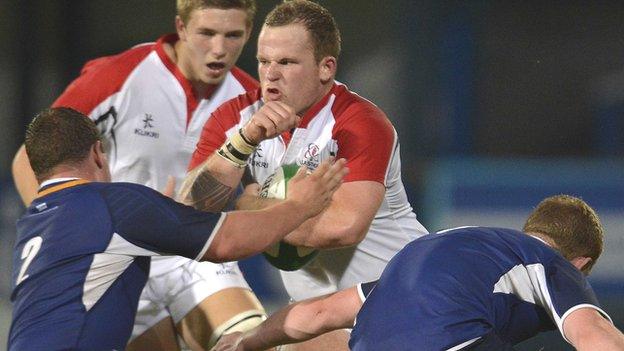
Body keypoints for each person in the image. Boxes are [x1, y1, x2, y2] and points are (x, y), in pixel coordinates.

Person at [11, 1, 267, 350]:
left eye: (233, 35)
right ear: (181, 27)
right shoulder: (121, 75)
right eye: (207, 33)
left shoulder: (253, 101)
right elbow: (28, 158)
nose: (219, 49)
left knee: (254, 342)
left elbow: (258, 189)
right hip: (119, 255)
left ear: (249, 33)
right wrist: (68, 234)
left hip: (197, 251)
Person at [179, 1, 428, 348]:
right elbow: (188, 216)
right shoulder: (237, 120)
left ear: (326, 68)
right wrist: (242, 144)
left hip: (399, 302)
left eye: (286, 62)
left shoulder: (358, 123)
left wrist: (249, 205)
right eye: (264, 61)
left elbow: (343, 228)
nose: (270, 74)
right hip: (318, 316)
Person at [8, 107, 347, 351]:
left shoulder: (34, 223)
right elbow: (227, 242)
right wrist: (300, 205)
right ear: (98, 153)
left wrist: (161, 221)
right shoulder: (112, 204)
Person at [211, 195, 624, 351]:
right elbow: (597, 339)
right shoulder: (552, 264)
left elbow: (316, 315)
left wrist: (247, 341)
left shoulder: (456, 255)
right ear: (582, 263)